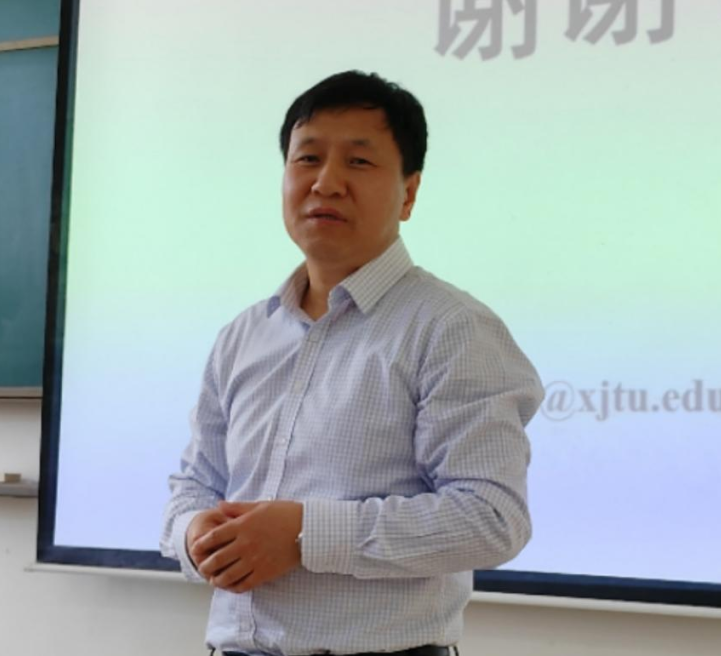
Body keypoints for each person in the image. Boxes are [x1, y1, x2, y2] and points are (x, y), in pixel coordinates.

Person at [159, 70, 543, 656]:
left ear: (408, 194)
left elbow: (491, 518)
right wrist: (193, 532)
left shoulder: (451, 329)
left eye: (358, 162)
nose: (326, 182)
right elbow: (195, 483)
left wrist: (305, 534)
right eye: (307, 159)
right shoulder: (244, 335)